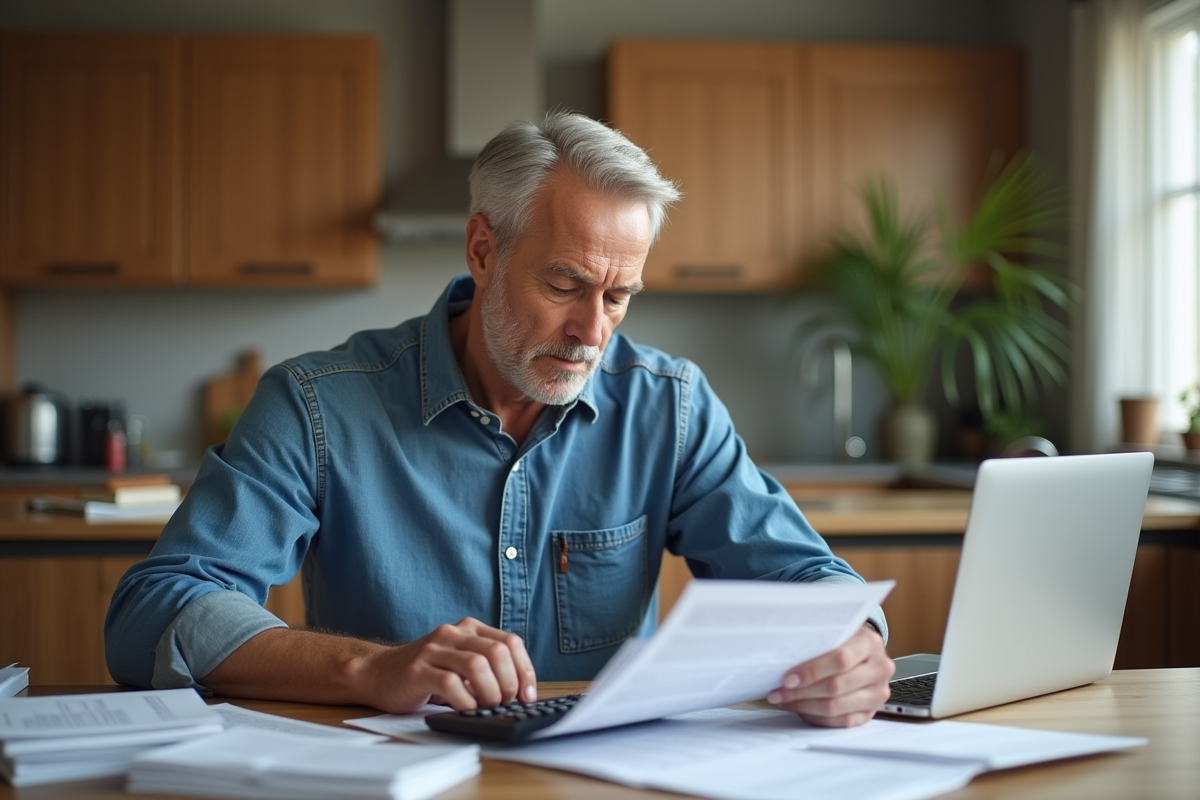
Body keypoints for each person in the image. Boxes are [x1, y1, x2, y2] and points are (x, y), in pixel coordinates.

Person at [105, 111, 893, 728]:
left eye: (618, 297)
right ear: (483, 251)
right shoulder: (317, 406)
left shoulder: (670, 407)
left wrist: (856, 645)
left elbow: (809, 582)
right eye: (565, 284)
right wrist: (369, 670)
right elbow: (154, 611)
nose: (593, 331)